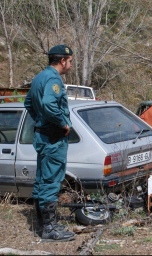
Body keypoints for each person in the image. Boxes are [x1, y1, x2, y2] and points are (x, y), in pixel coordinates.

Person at [24, 44, 75, 242]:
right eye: (70, 62)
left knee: (42, 180)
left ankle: (43, 224)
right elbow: (48, 104)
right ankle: (49, 229)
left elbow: (28, 103)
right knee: (51, 180)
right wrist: (62, 122)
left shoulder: (39, 77)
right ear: (62, 60)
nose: (70, 65)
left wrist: (40, 120)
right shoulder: (53, 79)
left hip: (43, 136)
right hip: (53, 138)